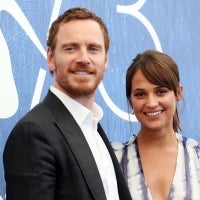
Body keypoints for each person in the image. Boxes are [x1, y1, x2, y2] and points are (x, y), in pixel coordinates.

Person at [3, 7, 132, 200]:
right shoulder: (33, 133)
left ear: (105, 61)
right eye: (70, 48)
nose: (83, 59)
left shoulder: (94, 130)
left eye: (93, 49)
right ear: (51, 58)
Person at [112, 50, 200, 199]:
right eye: (140, 94)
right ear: (130, 101)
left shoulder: (196, 158)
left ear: (178, 93)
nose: (151, 103)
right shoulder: (113, 160)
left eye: (161, 92)